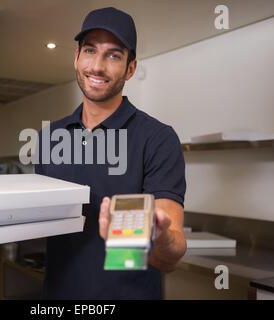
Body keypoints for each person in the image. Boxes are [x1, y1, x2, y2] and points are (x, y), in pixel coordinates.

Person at [35, 7, 186, 299]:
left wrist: (160, 236)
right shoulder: (48, 138)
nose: (98, 66)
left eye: (114, 55)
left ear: (130, 68)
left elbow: (171, 257)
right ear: (76, 58)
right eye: (90, 50)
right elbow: (44, 229)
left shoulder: (157, 139)